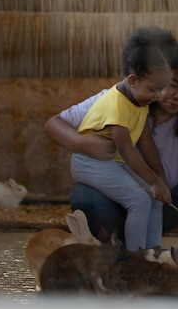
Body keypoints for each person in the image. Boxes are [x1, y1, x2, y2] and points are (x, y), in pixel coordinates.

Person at [45, 40, 178, 247]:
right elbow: (53, 124)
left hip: (164, 204)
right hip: (115, 206)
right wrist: (81, 142)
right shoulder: (118, 103)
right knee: (86, 195)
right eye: (173, 84)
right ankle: (120, 252)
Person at [70, 26, 172, 251]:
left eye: (161, 90)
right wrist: (154, 182)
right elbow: (127, 150)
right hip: (89, 162)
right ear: (133, 80)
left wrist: (159, 178)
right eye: (154, 90)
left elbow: (145, 141)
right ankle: (135, 259)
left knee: (155, 197)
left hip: (111, 161)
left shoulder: (139, 101)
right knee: (140, 200)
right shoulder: (116, 104)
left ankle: (153, 251)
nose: (158, 96)